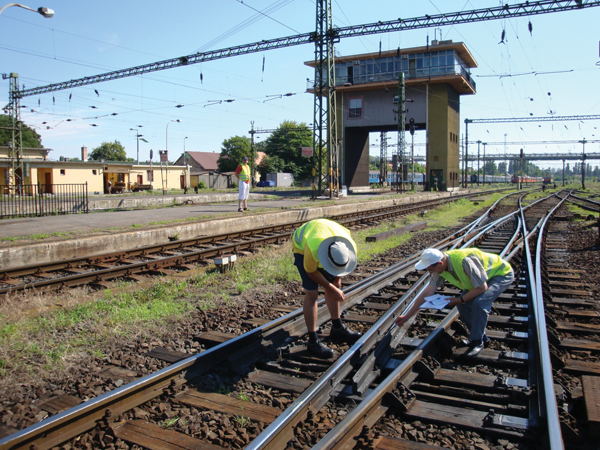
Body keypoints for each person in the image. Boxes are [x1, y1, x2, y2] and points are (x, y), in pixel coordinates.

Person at [395, 248, 514, 358]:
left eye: (430, 270)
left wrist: (459, 299)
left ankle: (477, 342)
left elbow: (482, 288)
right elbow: (427, 294)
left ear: (440, 263)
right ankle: (481, 337)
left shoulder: (464, 262)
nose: (429, 273)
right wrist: (407, 316)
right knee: (463, 306)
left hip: (500, 274)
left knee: (479, 303)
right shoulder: (439, 268)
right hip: (481, 279)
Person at [292, 218, 362, 358]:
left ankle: (337, 328)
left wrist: (336, 283)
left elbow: (341, 269)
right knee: (312, 293)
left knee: (335, 285)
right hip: (302, 246)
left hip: (324, 237)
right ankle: (313, 341)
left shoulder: (349, 246)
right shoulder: (313, 248)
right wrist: (332, 289)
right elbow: (311, 272)